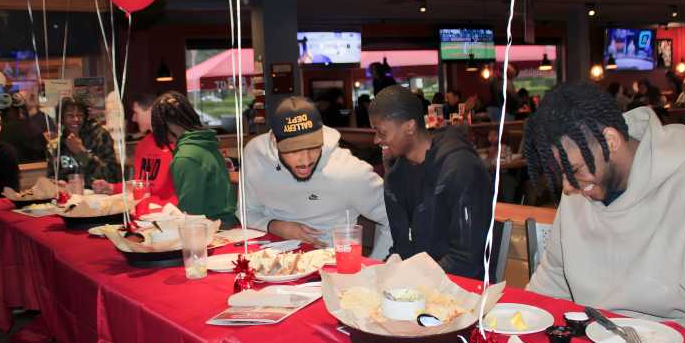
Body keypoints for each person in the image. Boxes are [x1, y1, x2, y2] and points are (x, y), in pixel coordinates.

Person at [523, 82, 685, 340]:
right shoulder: (582, 189)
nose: (567, 188)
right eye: (561, 176)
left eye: (575, 171)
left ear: (610, 141)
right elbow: (550, 285)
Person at [241, 96, 392, 258]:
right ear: (274, 141)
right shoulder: (255, 154)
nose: (305, 161)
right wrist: (277, 227)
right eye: (293, 150)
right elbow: (246, 212)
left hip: (333, 266)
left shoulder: (349, 171)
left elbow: (396, 220)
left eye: (313, 148)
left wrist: (374, 267)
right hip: (269, 259)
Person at [369, 85, 492, 279]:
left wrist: (411, 281)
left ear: (409, 126)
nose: (376, 140)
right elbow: (402, 247)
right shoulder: (396, 176)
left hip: (461, 291)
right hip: (417, 290)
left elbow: (466, 259)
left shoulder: (461, 168)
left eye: (382, 133)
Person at [151, 91, 237, 226]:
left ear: (164, 124)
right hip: (226, 225)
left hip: (212, 232)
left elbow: (190, 213)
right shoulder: (206, 144)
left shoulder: (186, 157)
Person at [93, 93, 177, 203]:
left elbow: (183, 195)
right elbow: (139, 185)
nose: (133, 118)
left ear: (152, 110)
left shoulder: (176, 145)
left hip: (169, 214)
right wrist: (110, 187)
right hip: (142, 211)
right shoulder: (143, 145)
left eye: (136, 113)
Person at [46, 97, 121, 188]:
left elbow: (111, 175)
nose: (76, 119)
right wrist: (58, 183)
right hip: (69, 197)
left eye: (80, 115)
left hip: (98, 196)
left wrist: (81, 153)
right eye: (70, 115)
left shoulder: (100, 136)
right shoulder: (57, 145)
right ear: (61, 119)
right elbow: (51, 177)